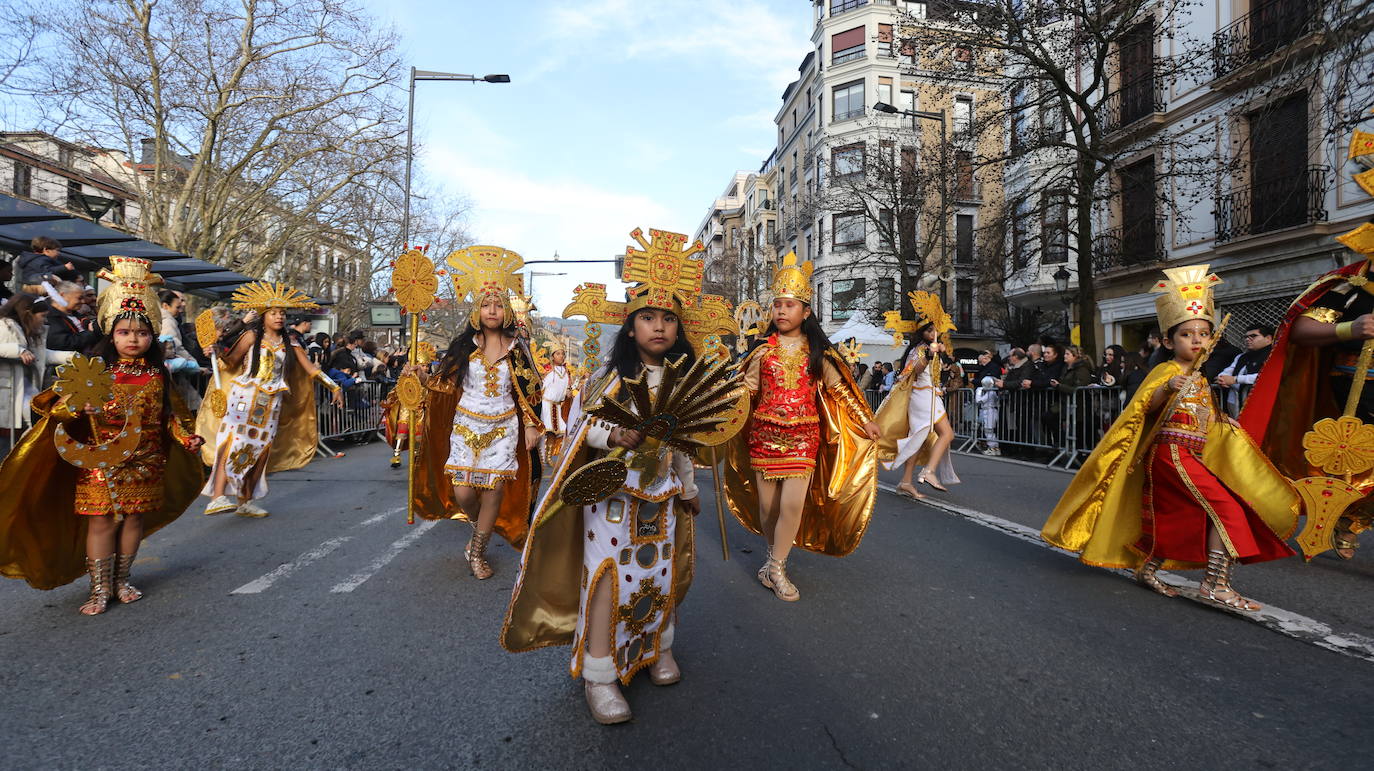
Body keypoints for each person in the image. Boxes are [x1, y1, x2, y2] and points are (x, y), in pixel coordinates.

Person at [503, 227, 714, 725]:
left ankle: (656, 649)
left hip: (660, 498)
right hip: (611, 498)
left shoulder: (684, 381)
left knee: (658, 575)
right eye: (647, 317)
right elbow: (581, 426)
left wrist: (688, 487)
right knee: (607, 580)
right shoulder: (609, 377)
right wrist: (613, 437)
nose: (658, 327)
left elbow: (682, 441)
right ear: (631, 326)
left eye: (667, 319)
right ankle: (600, 674)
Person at [1043, 265, 1296, 611]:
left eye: (1204, 334)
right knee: (1227, 508)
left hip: (1191, 455)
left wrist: (1225, 424)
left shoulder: (1203, 378)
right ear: (1167, 341)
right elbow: (1143, 409)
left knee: (1178, 515)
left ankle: (1148, 568)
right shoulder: (1167, 371)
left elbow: (1204, 420)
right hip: (1170, 455)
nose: (1197, 341)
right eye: (1187, 334)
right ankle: (1214, 585)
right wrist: (1166, 389)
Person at [0, 257, 205, 614]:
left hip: (145, 461)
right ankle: (98, 590)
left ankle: (121, 580)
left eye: (141, 333)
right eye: (125, 332)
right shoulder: (95, 371)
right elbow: (55, 410)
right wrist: (81, 409)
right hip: (99, 460)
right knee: (100, 520)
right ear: (111, 333)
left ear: (151, 335)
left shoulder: (158, 374)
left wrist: (187, 438)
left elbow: (169, 416)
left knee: (134, 518)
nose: (133, 339)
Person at [722, 252, 881, 602]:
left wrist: (865, 420)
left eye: (789, 305)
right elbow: (746, 391)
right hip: (764, 438)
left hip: (803, 439)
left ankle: (776, 567)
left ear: (805, 312)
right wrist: (718, 408)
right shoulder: (761, 353)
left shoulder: (818, 354)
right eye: (777, 305)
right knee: (768, 510)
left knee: (792, 506)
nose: (781, 311)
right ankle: (772, 558)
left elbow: (840, 390)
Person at [1240, 218, 1374, 559]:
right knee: (1355, 459)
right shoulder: (1352, 285)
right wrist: (1351, 329)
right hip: (1357, 389)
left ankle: (1353, 513)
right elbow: (1302, 329)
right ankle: (1347, 512)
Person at [408, 246, 543, 579]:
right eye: (486, 304)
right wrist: (421, 379)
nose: (493, 309)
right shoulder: (464, 346)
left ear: (506, 311)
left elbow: (529, 391)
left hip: (504, 426)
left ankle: (478, 552)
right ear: (476, 310)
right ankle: (479, 526)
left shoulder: (517, 348)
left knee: (494, 488)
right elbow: (444, 384)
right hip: (466, 423)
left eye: (498, 304)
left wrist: (530, 426)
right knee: (464, 491)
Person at [196, 282, 342, 517]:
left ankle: (246, 500)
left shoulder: (291, 343)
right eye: (274, 313)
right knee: (232, 443)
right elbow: (230, 361)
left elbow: (311, 370)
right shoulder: (252, 336)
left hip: (272, 404)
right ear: (263, 316)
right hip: (243, 399)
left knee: (259, 450)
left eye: (282, 313)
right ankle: (217, 497)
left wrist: (334, 386)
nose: (279, 317)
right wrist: (213, 352)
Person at [877, 291, 959, 499]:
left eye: (935, 330)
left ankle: (905, 482)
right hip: (923, 397)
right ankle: (929, 472)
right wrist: (930, 355)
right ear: (922, 332)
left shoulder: (929, 348)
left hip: (928, 396)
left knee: (918, 440)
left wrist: (940, 359)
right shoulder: (921, 350)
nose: (933, 333)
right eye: (929, 330)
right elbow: (916, 370)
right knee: (947, 434)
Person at [0, 294, 55, 454]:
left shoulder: (24, 330)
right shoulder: (5, 327)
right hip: (8, 394)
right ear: (28, 313)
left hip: (19, 391)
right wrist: (18, 351)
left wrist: (69, 357)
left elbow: (38, 355)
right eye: (42, 316)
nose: (44, 321)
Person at [1215, 325, 1273, 416]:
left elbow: (1267, 376)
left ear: (1268, 338)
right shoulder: (1241, 356)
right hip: (1235, 404)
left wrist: (1235, 380)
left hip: (1260, 403)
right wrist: (1222, 378)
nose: (1247, 339)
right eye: (1246, 337)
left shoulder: (1273, 356)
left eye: (1253, 336)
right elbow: (1228, 370)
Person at [45, 280, 101, 358]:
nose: (83, 301)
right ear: (62, 296)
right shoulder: (49, 317)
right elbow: (63, 344)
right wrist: (90, 333)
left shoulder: (77, 315)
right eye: (79, 298)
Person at [540, 348, 573, 464]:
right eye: (558, 354)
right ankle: (542, 457)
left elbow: (566, 390)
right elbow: (541, 388)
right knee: (545, 431)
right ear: (552, 356)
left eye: (563, 354)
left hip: (556, 406)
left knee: (556, 432)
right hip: (546, 404)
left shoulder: (566, 373)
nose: (561, 356)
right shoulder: (548, 371)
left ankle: (549, 457)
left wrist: (568, 393)